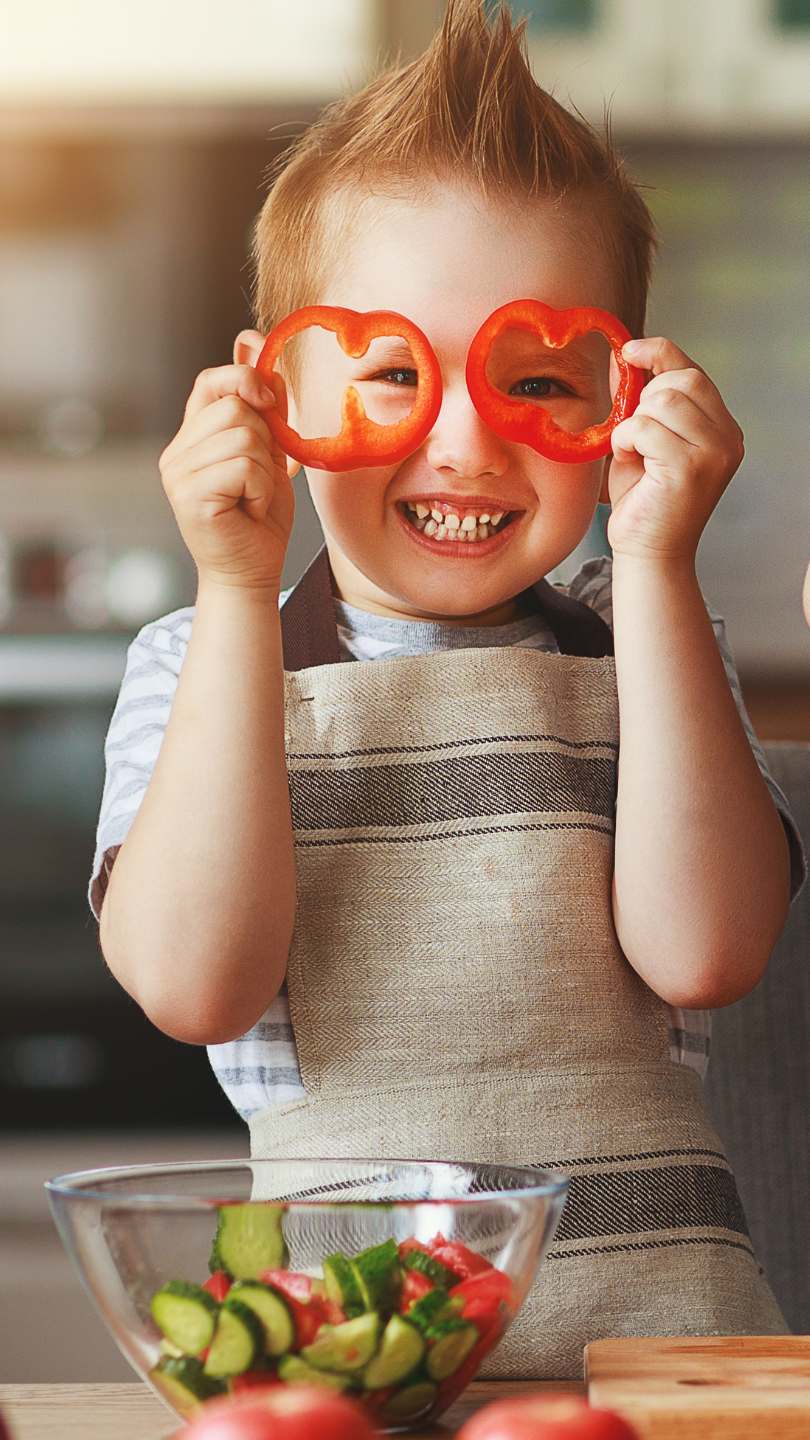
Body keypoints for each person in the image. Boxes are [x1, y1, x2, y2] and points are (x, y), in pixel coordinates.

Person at [89, 0, 805, 1378]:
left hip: (673, 1374)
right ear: (272, 395)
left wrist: (657, 562)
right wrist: (239, 589)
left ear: (628, 394)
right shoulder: (203, 666)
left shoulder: (644, 642)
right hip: (366, 1375)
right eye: (392, 376)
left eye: (536, 379)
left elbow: (706, 955)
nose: (464, 445)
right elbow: (195, 984)